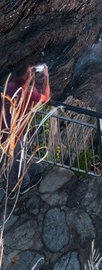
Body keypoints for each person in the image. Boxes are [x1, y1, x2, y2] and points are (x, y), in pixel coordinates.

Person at [1, 61, 51, 194]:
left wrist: (30, 77)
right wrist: (46, 76)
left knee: (9, 159)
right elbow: (45, 98)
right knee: (18, 160)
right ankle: (20, 186)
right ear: (25, 77)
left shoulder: (10, 86)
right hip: (15, 133)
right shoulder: (26, 94)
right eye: (29, 74)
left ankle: (9, 182)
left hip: (4, 129)